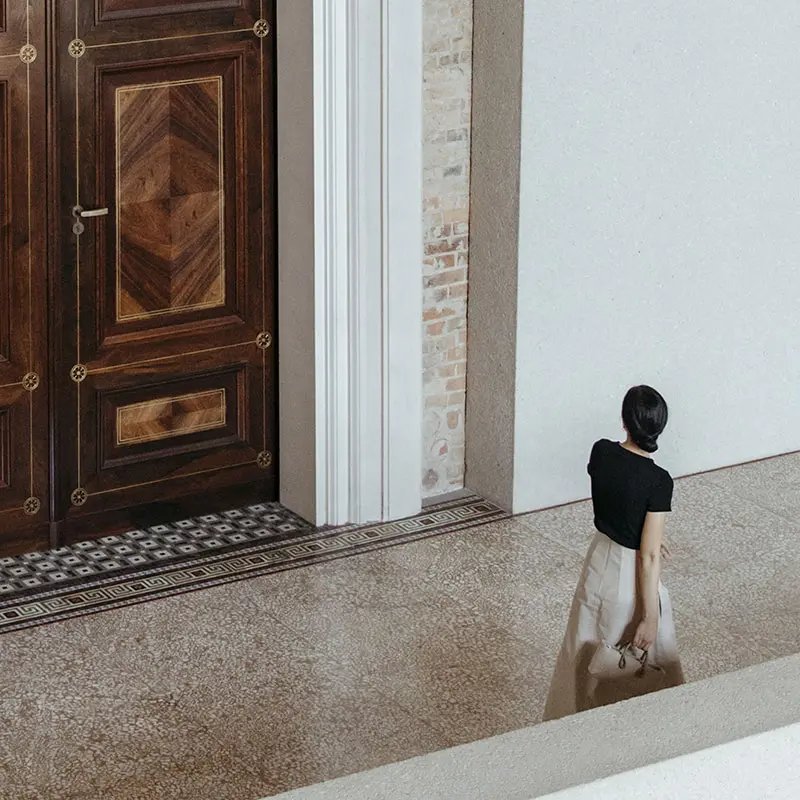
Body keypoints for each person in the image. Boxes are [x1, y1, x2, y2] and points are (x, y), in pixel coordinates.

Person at [542, 385, 685, 721]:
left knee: (583, 649)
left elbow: (613, 496)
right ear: (660, 426)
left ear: (624, 421)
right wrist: (650, 617)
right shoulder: (658, 481)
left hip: (598, 561)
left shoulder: (602, 452)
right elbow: (649, 558)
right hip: (630, 576)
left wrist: (641, 532)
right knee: (638, 662)